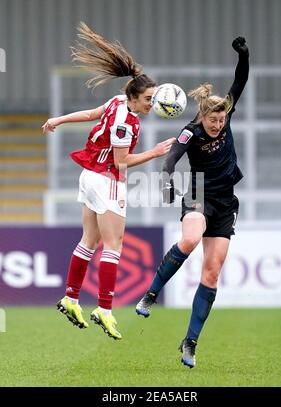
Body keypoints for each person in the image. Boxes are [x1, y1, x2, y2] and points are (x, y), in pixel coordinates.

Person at [42, 22, 175, 340]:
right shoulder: (125, 123)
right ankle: (104, 308)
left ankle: (71, 298)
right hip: (106, 180)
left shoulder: (116, 104)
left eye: (153, 98)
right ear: (133, 96)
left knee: (89, 241)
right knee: (114, 246)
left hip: (88, 176)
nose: (151, 104)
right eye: (147, 99)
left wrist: (59, 118)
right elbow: (121, 161)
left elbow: (91, 114)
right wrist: (155, 152)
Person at [136, 37, 249, 366]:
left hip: (226, 202)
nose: (218, 125)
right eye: (213, 121)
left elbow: (240, 80)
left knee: (212, 274)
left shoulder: (225, 115)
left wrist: (244, 55)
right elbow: (171, 159)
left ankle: (190, 342)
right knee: (189, 238)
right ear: (202, 117)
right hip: (199, 191)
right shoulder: (190, 132)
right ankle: (151, 293)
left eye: (222, 121)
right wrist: (168, 179)